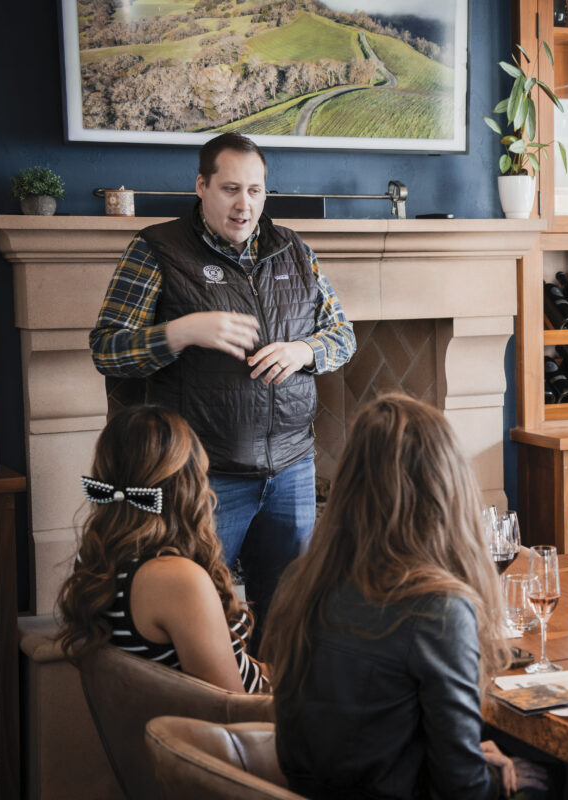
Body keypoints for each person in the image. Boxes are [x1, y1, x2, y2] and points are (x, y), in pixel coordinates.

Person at [89, 133, 355, 639]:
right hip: (204, 478)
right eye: (231, 188)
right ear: (201, 186)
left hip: (292, 471)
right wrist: (181, 332)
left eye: (255, 190)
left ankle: (273, 715)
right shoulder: (156, 250)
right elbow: (106, 349)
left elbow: (343, 336)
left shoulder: (294, 251)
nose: (244, 204)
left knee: (287, 620)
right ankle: (210, 717)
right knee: (200, 620)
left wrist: (305, 351)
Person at [263, 394, 543, 799]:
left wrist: (463, 755)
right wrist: (493, 777)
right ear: (445, 487)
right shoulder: (438, 608)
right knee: (541, 780)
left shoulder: (304, 581)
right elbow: (462, 791)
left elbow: (367, 729)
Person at [57, 405, 267, 693]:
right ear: (187, 484)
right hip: (252, 732)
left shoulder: (97, 557)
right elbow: (232, 708)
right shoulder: (176, 579)